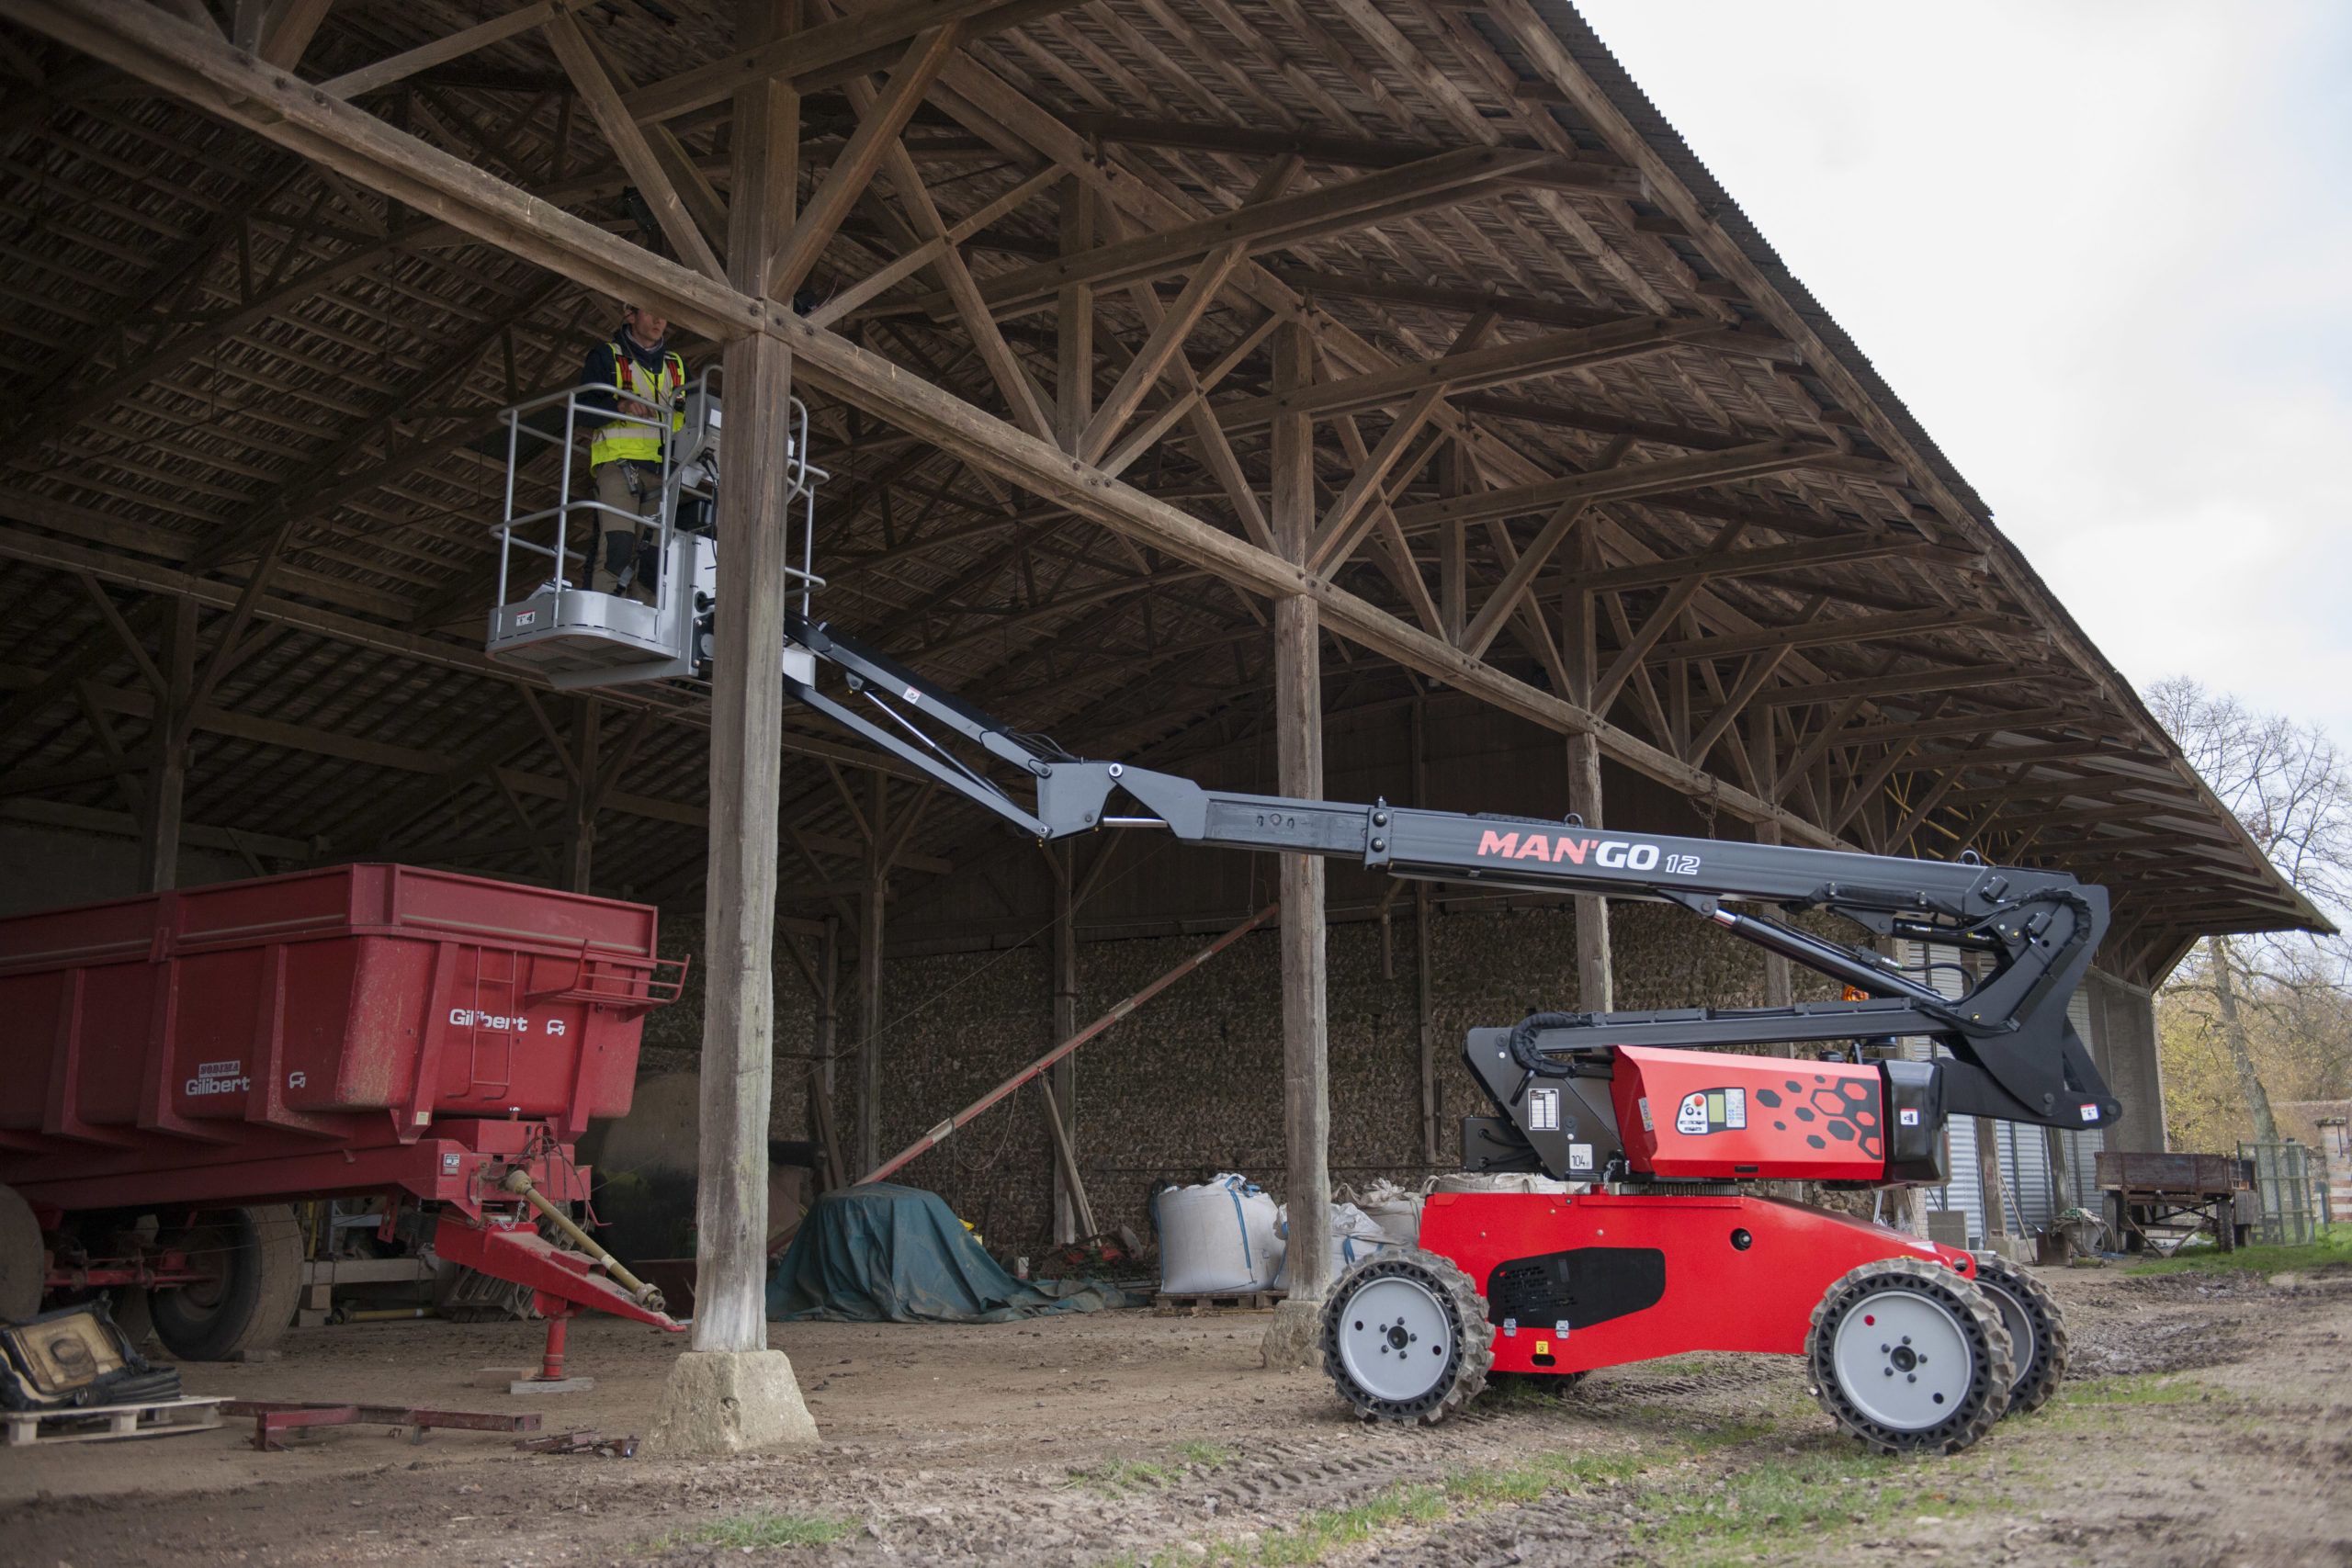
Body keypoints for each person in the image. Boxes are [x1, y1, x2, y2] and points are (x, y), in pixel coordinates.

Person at [578, 305, 685, 597]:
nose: (659, 318)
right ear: (630, 315)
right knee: (618, 547)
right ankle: (603, 617)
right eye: (651, 312)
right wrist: (620, 405)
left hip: (662, 475)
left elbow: (683, 421)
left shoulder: (675, 364)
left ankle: (643, 631)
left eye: (663, 313)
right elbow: (582, 411)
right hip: (618, 465)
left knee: (651, 563)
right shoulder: (605, 356)